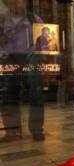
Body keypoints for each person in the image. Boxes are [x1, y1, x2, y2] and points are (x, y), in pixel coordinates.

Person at [0, 0, 45, 142]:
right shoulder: (1, 21)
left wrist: (41, 52)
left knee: (36, 93)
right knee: (8, 94)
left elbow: (44, 43)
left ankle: (37, 129)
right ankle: (12, 131)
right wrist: (4, 39)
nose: (17, 3)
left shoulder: (34, 20)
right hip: (8, 59)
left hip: (30, 59)